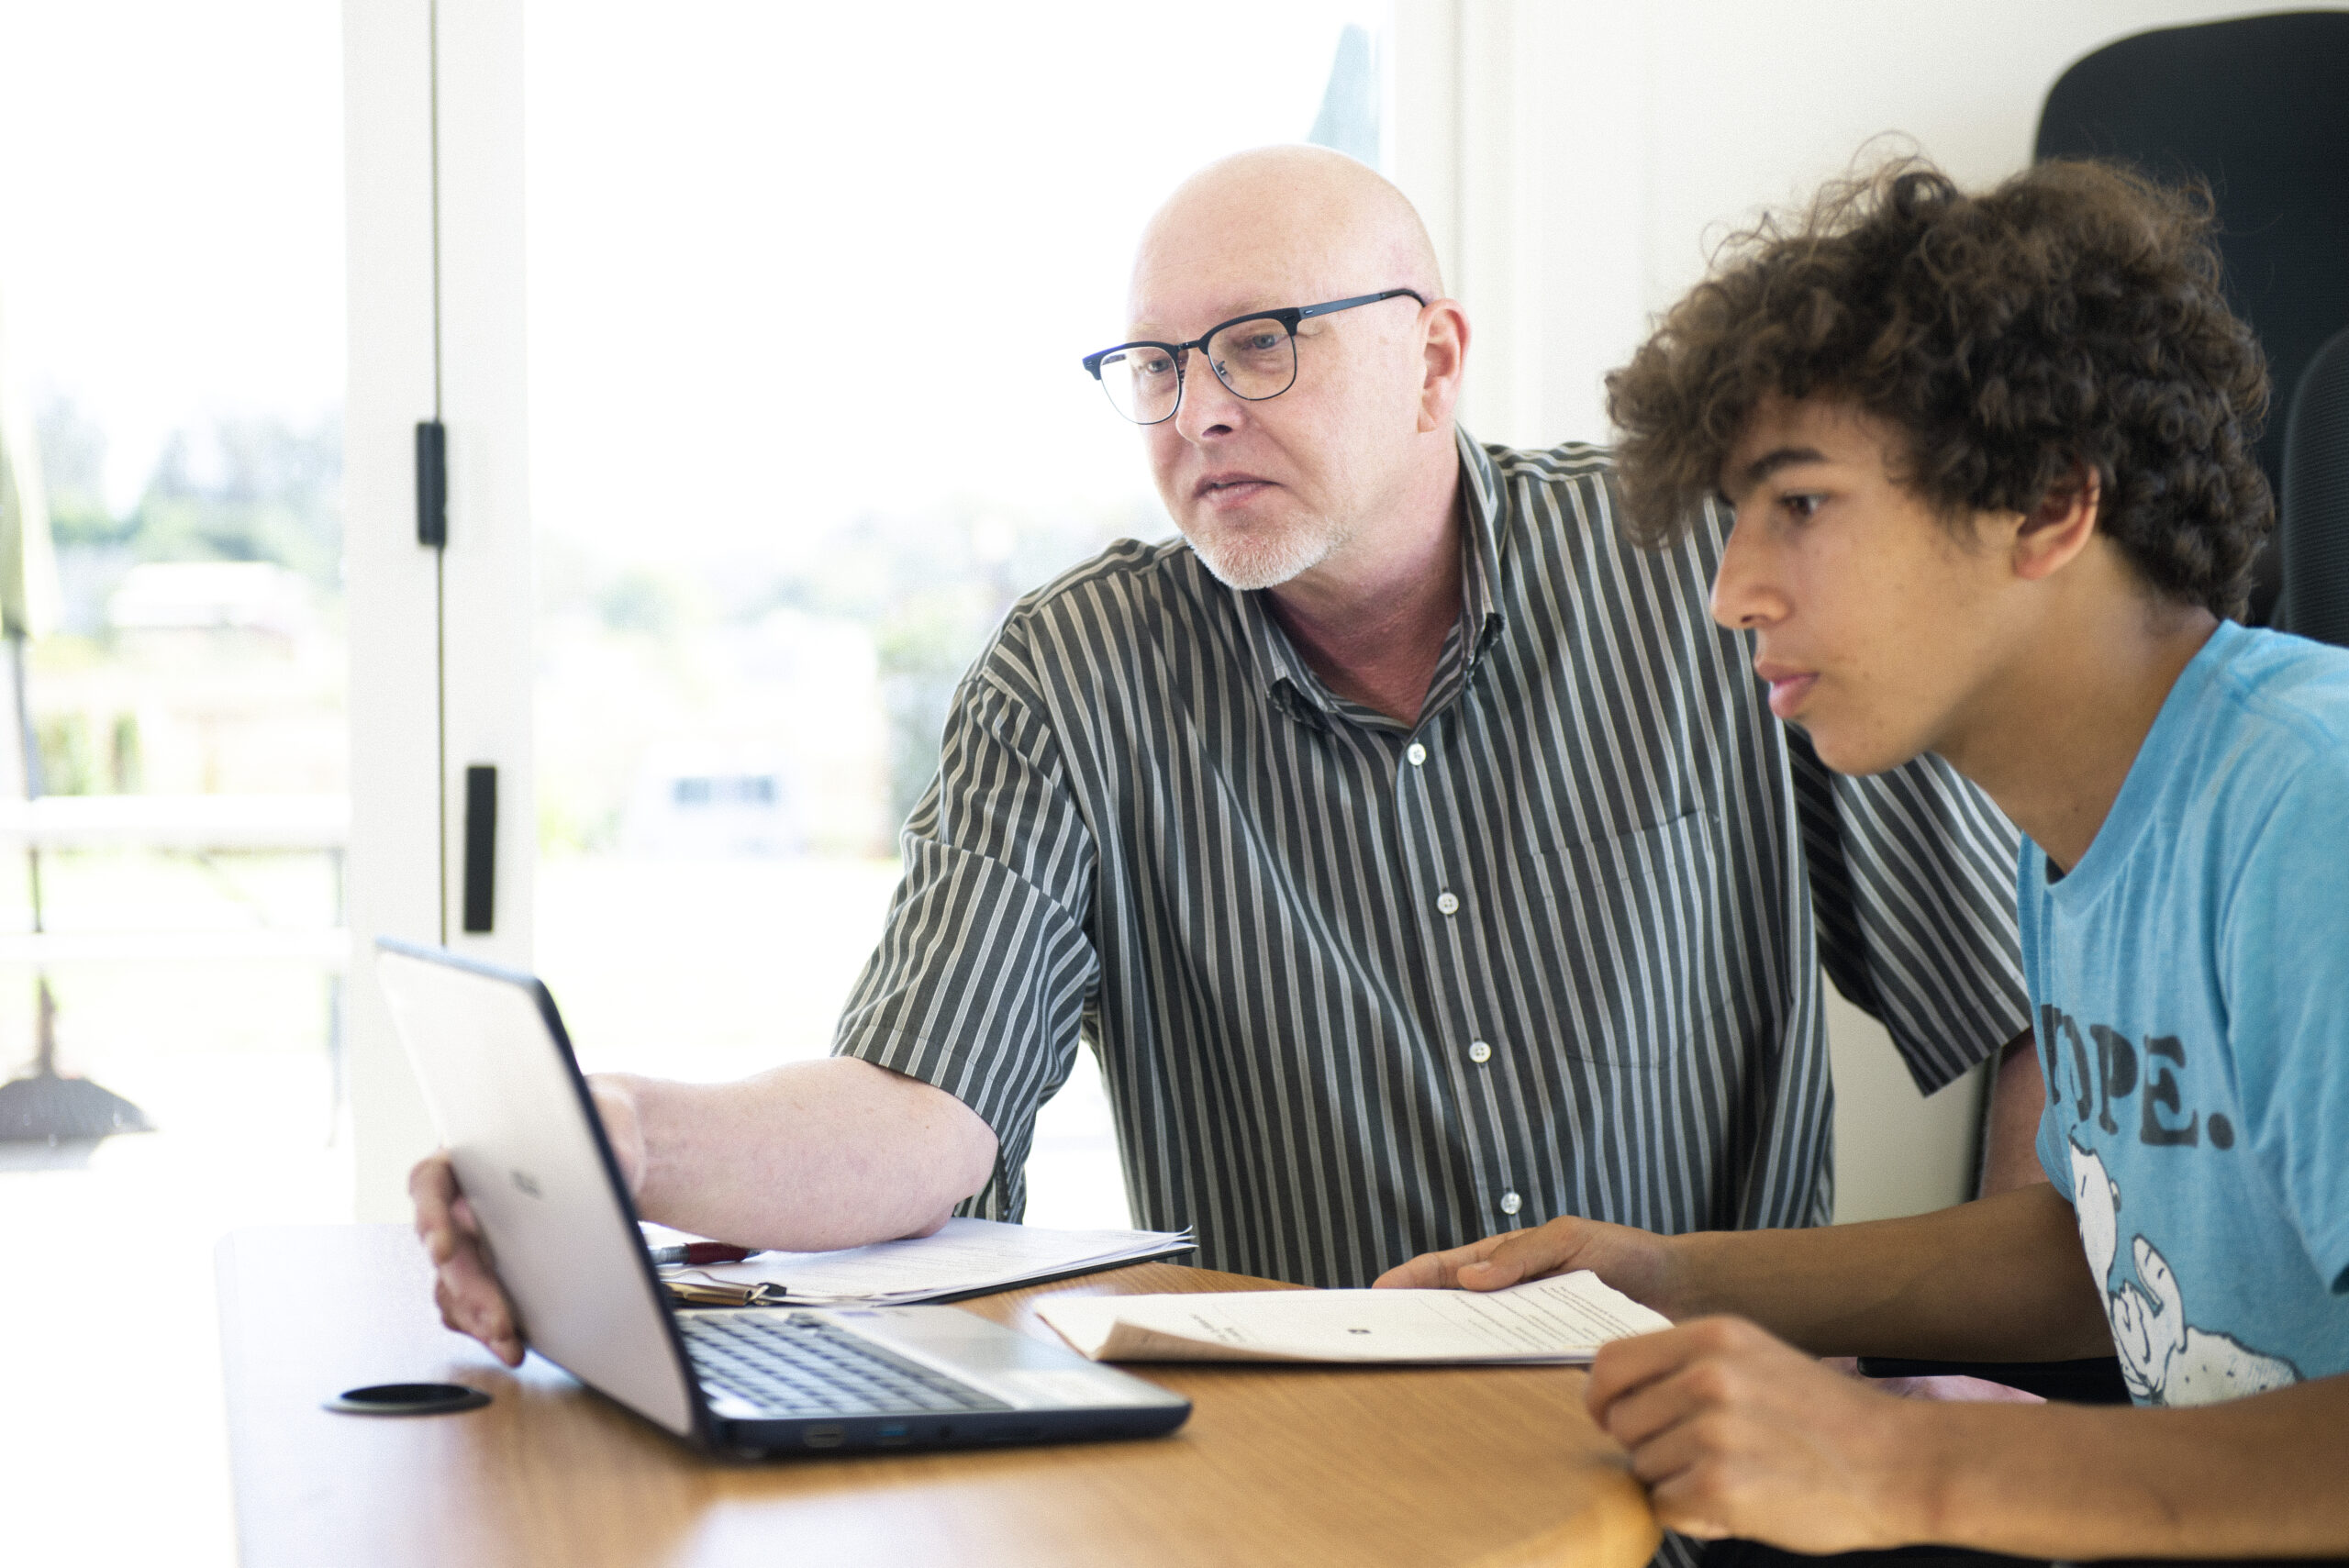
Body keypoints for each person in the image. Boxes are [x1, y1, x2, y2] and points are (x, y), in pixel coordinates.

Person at [415, 146, 2036, 1374]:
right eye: (1157, 366)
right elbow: (923, 1112)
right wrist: (626, 1139)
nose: (1197, 412)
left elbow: (2023, 999)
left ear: (1436, 359)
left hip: (1719, 1458)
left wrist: (2023, 1374)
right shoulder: (1077, 676)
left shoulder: (1707, 571)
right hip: (1306, 1482)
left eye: (1261, 345)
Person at [1381, 157, 2349, 1559]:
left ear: (2047, 504)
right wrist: (1672, 1277)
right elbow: (2100, 1246)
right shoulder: (2088, 834)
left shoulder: (2309, 810)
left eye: (1802, 504)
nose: (1731, 591)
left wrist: (1909, 1461)